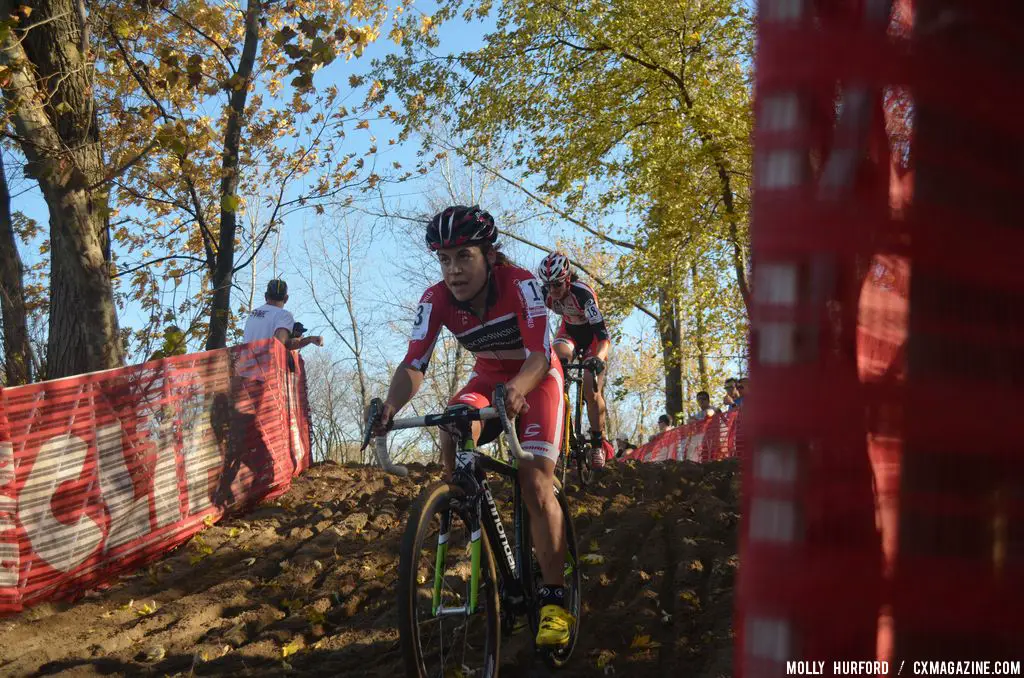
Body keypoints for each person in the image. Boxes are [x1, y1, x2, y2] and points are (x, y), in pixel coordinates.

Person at [372, 205, 574, 647]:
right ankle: (463, 504)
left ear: (489, 255)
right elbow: (414, 363)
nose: (453, 270)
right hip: (486, 378)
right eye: (444, 260)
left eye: (463, 256)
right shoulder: (435, 299)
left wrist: (519, 388)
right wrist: (389, 404)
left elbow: (540, 355)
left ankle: (556, 597)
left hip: (535, 378)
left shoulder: (520, 284)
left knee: (534, 484)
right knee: (451, 425)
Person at [535, 251, 613, 468]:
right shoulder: (545, 294)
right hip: (568, 332)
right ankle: (563, 435)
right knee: (554, 367)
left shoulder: (583, 295)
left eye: (557, 285)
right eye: (548, 285)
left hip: (592, 340)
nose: (553, 291)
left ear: (568, 279)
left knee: (591, 386)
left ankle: (598, 444)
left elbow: (603, 336)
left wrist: (598, 358)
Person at [242, 279, 324, 350]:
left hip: (246, 366)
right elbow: (279, 344)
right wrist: (309, 339)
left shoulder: (253, 313)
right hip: (267, 366)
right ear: (286, 298)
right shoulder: (283, 315)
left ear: (266, 296)